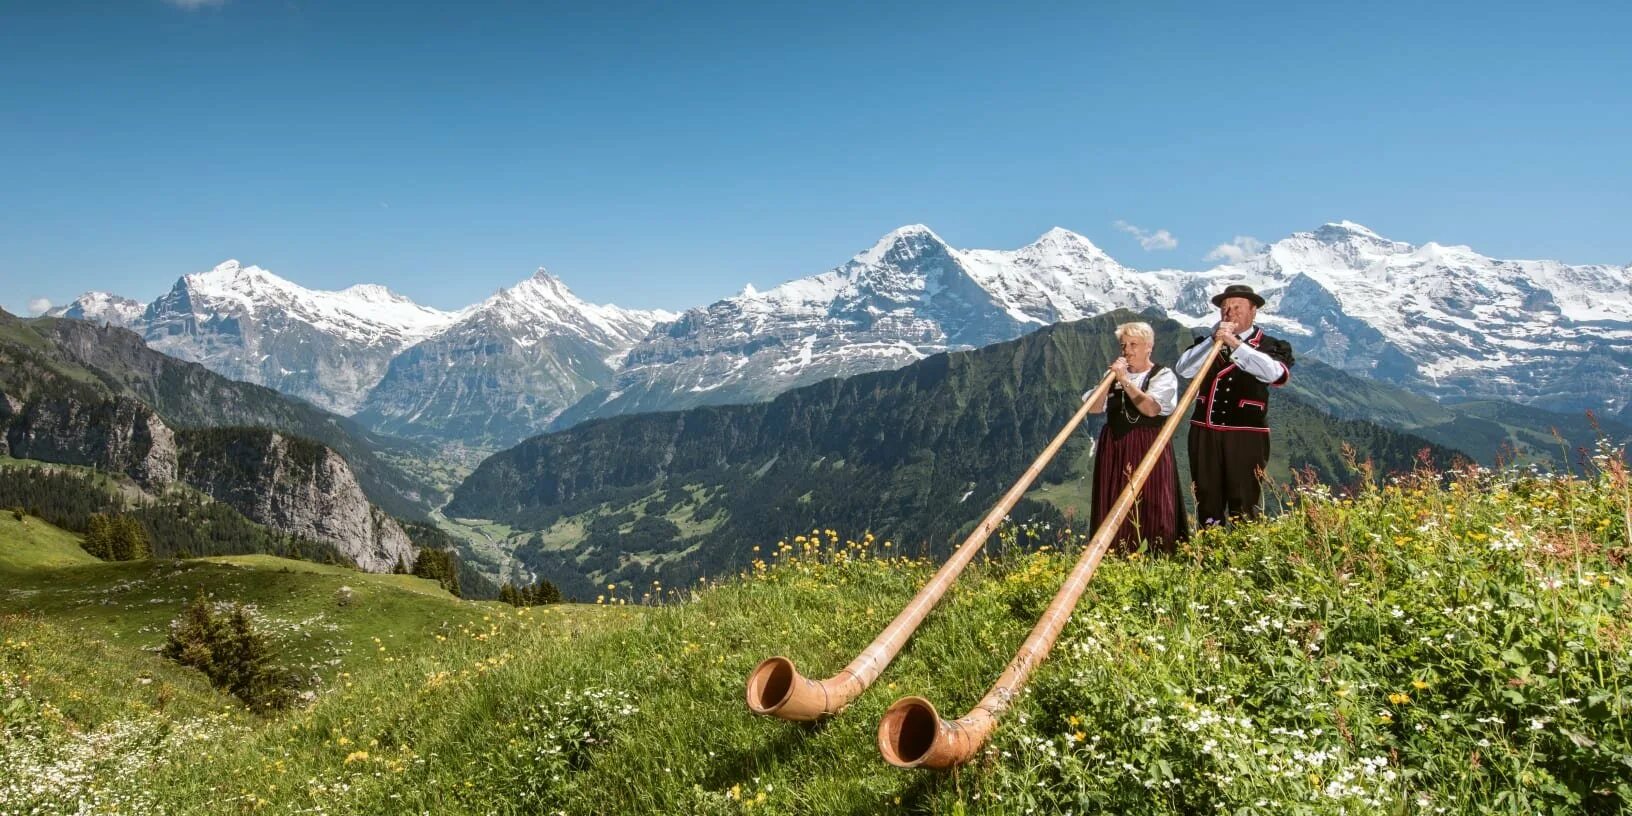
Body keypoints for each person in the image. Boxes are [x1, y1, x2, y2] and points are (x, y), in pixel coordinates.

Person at [1174, 284, 1295, 526]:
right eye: (1225, 308)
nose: (1229, 312)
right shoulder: (1207, 342)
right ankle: (1209, 554)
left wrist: (1236, 344)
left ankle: (1246, 555)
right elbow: (1183, 369)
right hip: (1204, 432)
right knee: (1206, 498)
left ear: (1253, 311)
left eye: (1237, 307)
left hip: (1246, 435)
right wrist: (1213, 340)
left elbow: (1276, 375)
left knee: (1244, 501)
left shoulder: (1271, 345)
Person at [1083, 321, 1187, 553]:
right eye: (1124, 345)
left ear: (1149, 346)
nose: (1127, 350)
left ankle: (1158, 553)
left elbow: (1150, 409)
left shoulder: (1163, 375)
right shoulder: (1112, 376)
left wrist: (1125, 381)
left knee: (1153, 497)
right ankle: (1115, 553)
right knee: (1113, 495)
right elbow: (1094, 407)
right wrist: (1108, 380)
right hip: (1115, 444)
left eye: (1134, 344)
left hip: (1148, 444)